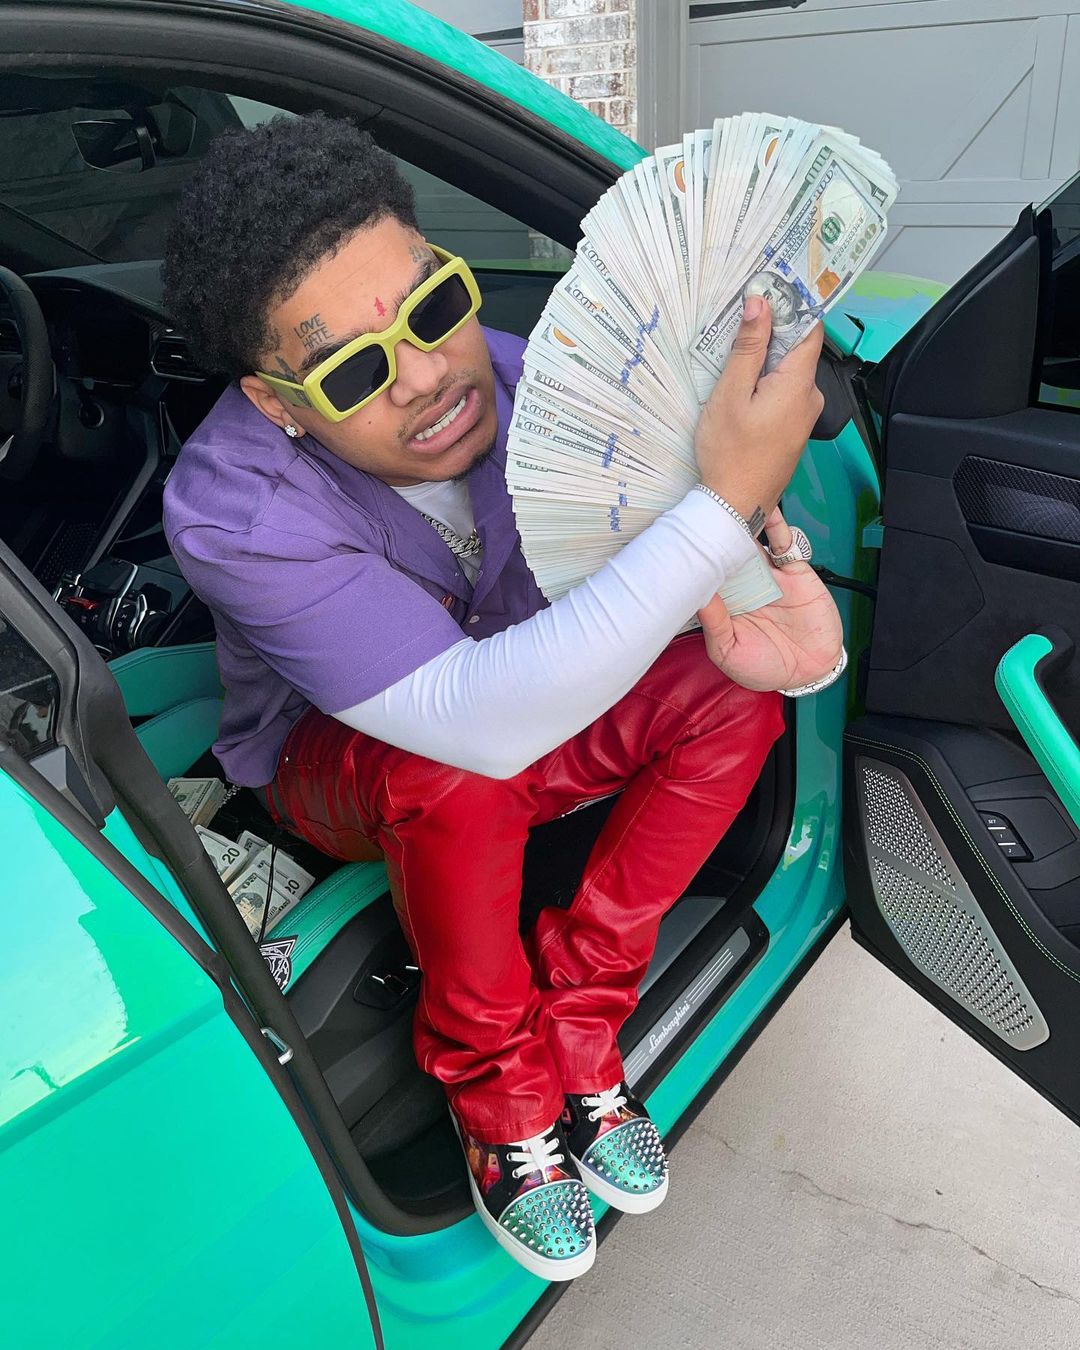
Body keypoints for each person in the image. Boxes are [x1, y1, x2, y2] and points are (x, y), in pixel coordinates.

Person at [162, 113, 840, 1281]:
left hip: (528, 709)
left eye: (434, 308)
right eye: (354, 370)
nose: (430, 376)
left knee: (726, 690)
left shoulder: (539, 386)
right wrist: (722, 506)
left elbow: (698, 575)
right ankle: (499, 1092)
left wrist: (778, 600)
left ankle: (582, 1026)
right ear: (278, 402)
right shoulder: (234, 508)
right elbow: (471, 720)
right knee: (449, 763)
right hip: (345, 766)